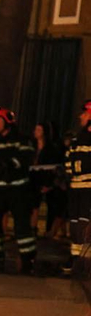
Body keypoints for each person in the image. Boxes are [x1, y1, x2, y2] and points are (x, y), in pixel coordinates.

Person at [0, 106, 35, 273]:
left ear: (7, 121)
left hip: (17, 190)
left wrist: (5, 166)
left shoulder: (21, 140)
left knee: (22, 226)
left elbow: (24, 158)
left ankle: (27, 259)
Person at [32, 122, 67, 249]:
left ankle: (50, 230)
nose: (36, 132)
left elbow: (54, 167)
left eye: (39, 129)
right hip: (34, 180)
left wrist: (50, 184)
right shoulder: (33, 147)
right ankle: (33, 229)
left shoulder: (51, 149)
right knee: (33, 205)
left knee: (53, 207)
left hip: (47, 181)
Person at [69, 102, 91, 277]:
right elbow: (70, 161)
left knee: (85, 225)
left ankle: (86, 263)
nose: (80, 117)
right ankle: (76, 260)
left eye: (84, 114)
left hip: (88, 188)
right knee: (75, 224)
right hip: (76, 187)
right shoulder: (78, 138)